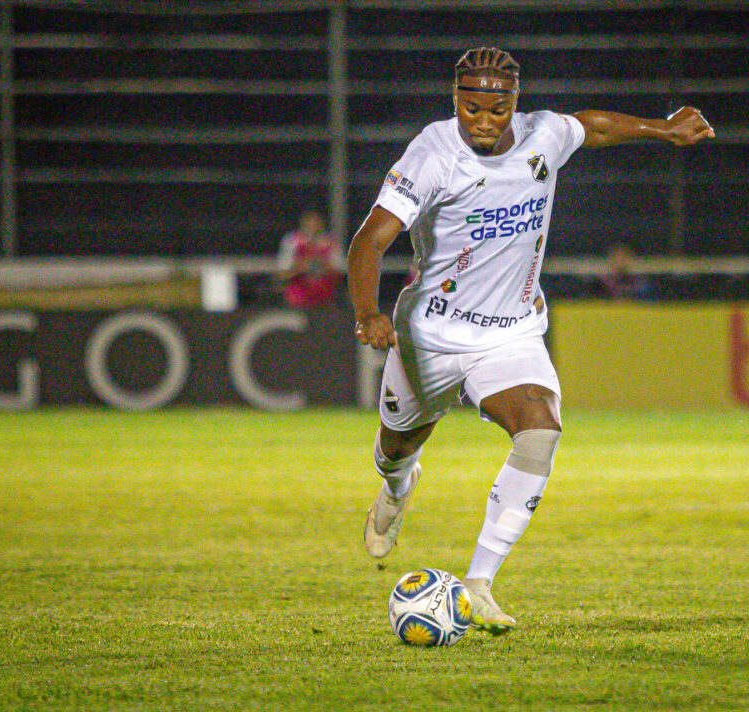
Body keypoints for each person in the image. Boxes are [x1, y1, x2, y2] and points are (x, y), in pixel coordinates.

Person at [347, 47, 714, 635]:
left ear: (515, 103)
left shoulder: (542, 135)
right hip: (431, 337)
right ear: (455, 102)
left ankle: (479, 583)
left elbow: (590, 126)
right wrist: (368, 313)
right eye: (471, 109)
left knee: (540, 430)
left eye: (497, 109)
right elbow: (368, 242)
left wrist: (661, 129)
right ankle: (397, 486)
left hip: (512, 333)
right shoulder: (432, 154)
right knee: (395, 447)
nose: (484, 121)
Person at [276, 210, 343, 308]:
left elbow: (339, 271)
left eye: (316, 224)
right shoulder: (292, 242)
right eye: (309, 224)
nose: (313, 228)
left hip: (324, 301)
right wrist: (301, 267)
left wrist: (323, 265)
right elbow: (282, 273)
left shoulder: (330, 243)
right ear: (303, 225)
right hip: (298, 301)